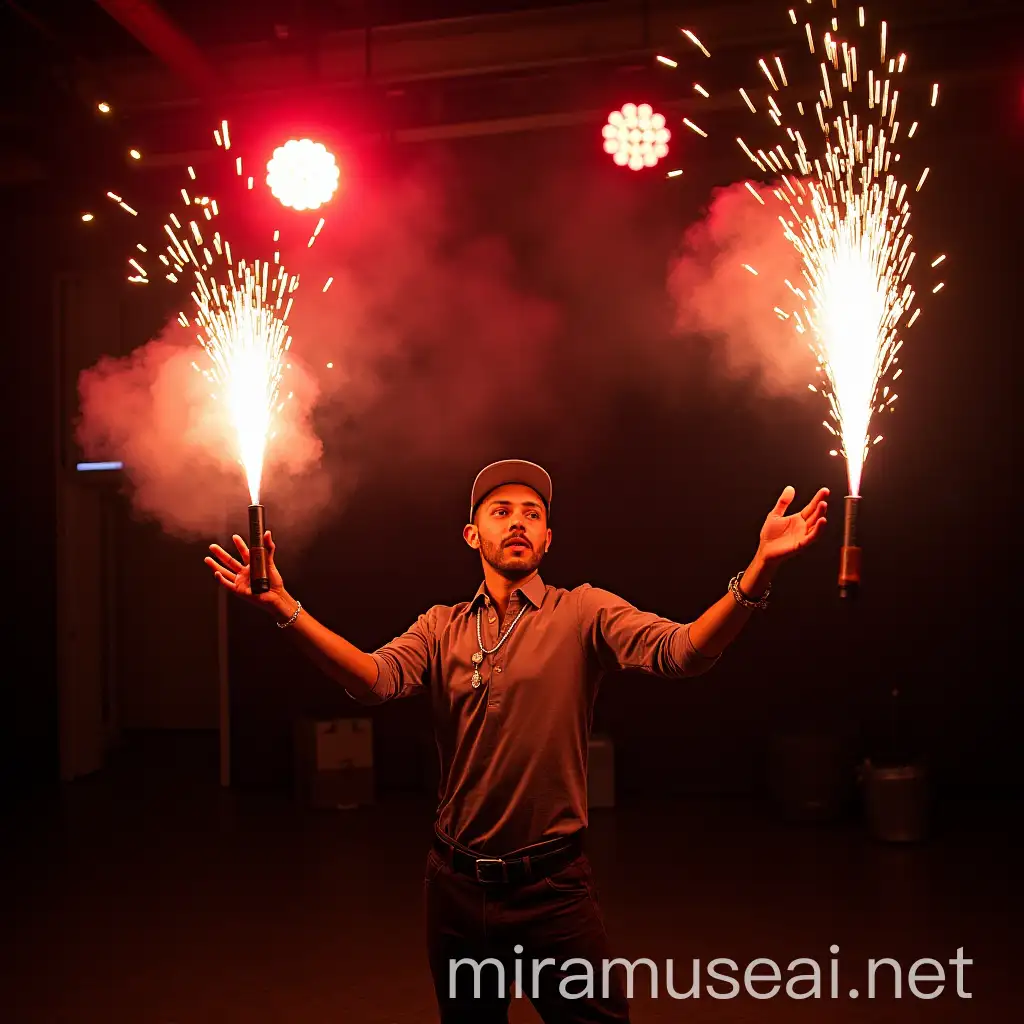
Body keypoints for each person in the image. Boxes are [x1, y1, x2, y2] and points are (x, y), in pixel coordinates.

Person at [205, 459, 828, 1023]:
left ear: (549, 539)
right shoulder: (440, 626)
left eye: (533, 514)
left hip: (553, 890)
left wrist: (759, 569)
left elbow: (685, 652)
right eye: (500, 512)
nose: (519, 523)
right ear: (472, 535)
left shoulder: (582, 611)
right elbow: (372, 680)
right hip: (457, 889)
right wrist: (287, 609)